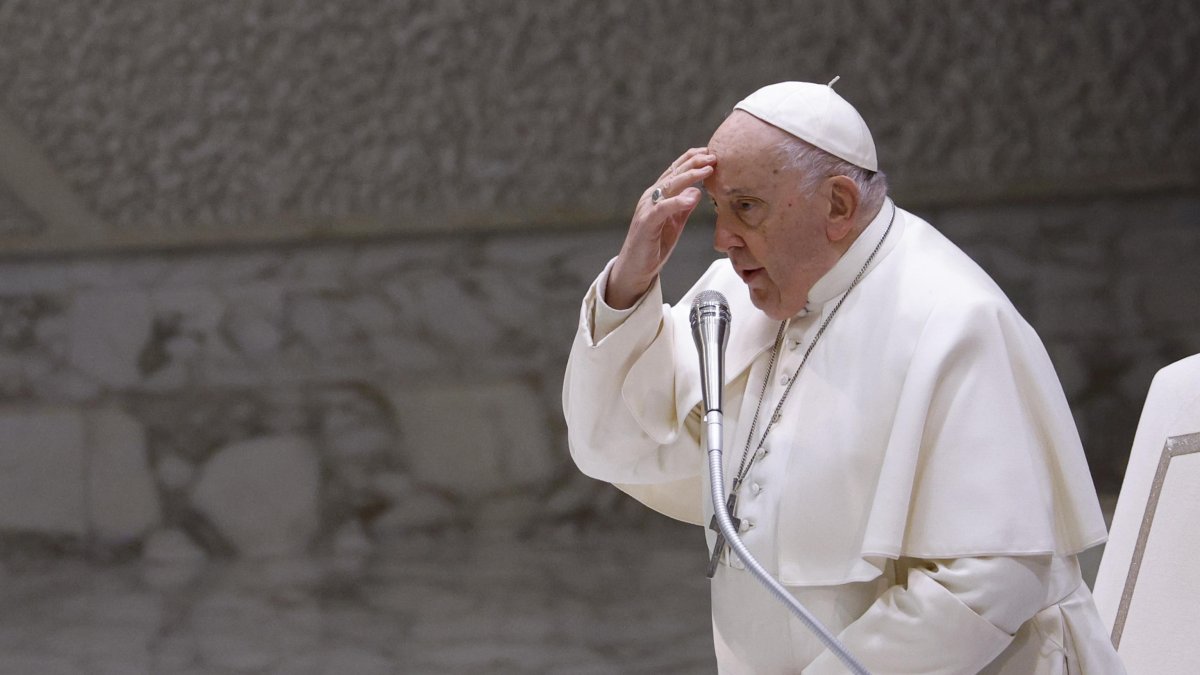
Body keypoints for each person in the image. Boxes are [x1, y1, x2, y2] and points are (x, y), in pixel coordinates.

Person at [562, 81, 1125, 673]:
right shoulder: (737, 296)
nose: (724, 239)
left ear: (837, 206)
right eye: (718, 209)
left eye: (746, 207)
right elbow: (615, 445)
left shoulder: (952, 318)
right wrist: (629, 281)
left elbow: (986, 584)